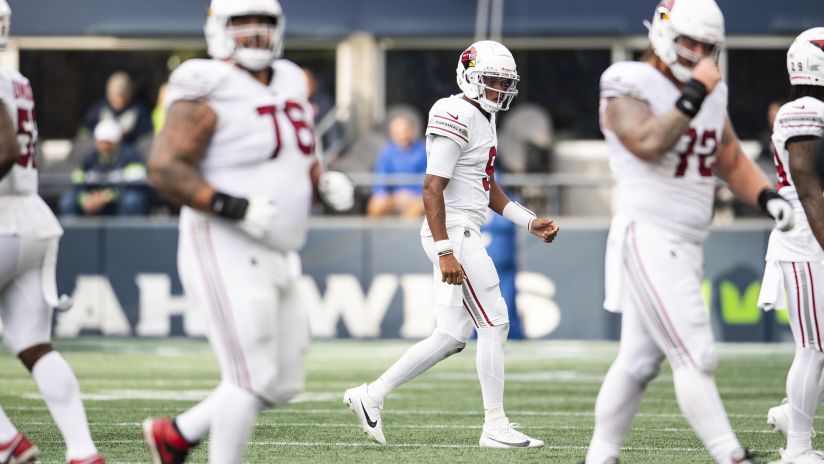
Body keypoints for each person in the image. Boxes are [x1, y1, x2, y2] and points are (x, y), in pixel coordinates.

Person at [140, 1, 354, 463]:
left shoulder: (293, 77)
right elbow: (164, 167)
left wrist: (321, 182)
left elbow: (294, 153)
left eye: (265, 24)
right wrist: (231, 206)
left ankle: (176, 435)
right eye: (242, 24)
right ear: (218, 29)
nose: (255, 34)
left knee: (283, 380)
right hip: (223, 240)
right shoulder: (206, 80)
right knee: (250, 374)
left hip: (277, 247)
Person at [584, 1, 794, 463]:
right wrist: (694, 93)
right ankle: (730, 454)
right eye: (689, 41)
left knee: (639, 363)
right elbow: (647, 142)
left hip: (686, 239)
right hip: (649, 233)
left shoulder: (707, 91)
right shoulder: (627, 80)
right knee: (696, 353)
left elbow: (730, 156)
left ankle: (599, 457)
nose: (698, 52)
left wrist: (767, 196)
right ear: (662, 32)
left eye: (707, 46)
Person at [344, 40, 559, 448]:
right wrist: (445, 250)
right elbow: (431, 188)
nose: (499, 89)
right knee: (494, 321)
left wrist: (527, 221)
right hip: (453, 232)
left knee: (451, 335)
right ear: (470, 77)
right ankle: (495, 426)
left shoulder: (482, 116)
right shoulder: (454, 111)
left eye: (504, 82)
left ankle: (371, 395)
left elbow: (485, 185)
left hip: (461, 230)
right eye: (492, 81)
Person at [0, 1, 105, 463]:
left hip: (2, 217)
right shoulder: (16, 79)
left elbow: (3, 148)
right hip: (32, 217)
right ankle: (82, 450)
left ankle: (6, 440)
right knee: (33, 345)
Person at [758, 27, 824, 464]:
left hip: (812, 234)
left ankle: (790, 412)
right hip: (806, 237)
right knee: (813, 347)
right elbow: (809, 188)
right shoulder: (802, 110)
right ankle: (797, 448)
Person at [59, 119, 150, 216]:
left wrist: (107, 196)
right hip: (92, 200)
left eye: (108, 142)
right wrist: (84, 198)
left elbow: (136, 183)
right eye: (101, 142)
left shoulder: (131, 155)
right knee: (67, 201)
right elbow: (77, 182)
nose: (104, 147)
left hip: (118, 200)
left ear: (117, 141)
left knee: (132, 200)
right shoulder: (89, 157)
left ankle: (128, 231)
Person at [366, 112, 427, 218]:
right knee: (375, 206)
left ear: (411, 131)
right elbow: (380, 181)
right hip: (393, 197)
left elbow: (427, 180)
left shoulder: (422, 151)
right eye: (397, 132)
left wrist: (412, 195)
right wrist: (394, 197)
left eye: (404, 131)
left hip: (416, 198)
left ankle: (404, 234)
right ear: (392, 134)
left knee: (417, 209)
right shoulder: (386, 152)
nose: (402, 136)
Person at [81, 71, 153, 145]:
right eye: (115, 98)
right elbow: (86, 130)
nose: (119, 101)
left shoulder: (139, 111)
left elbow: (146, 135)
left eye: (123, 96)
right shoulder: (99, 109)